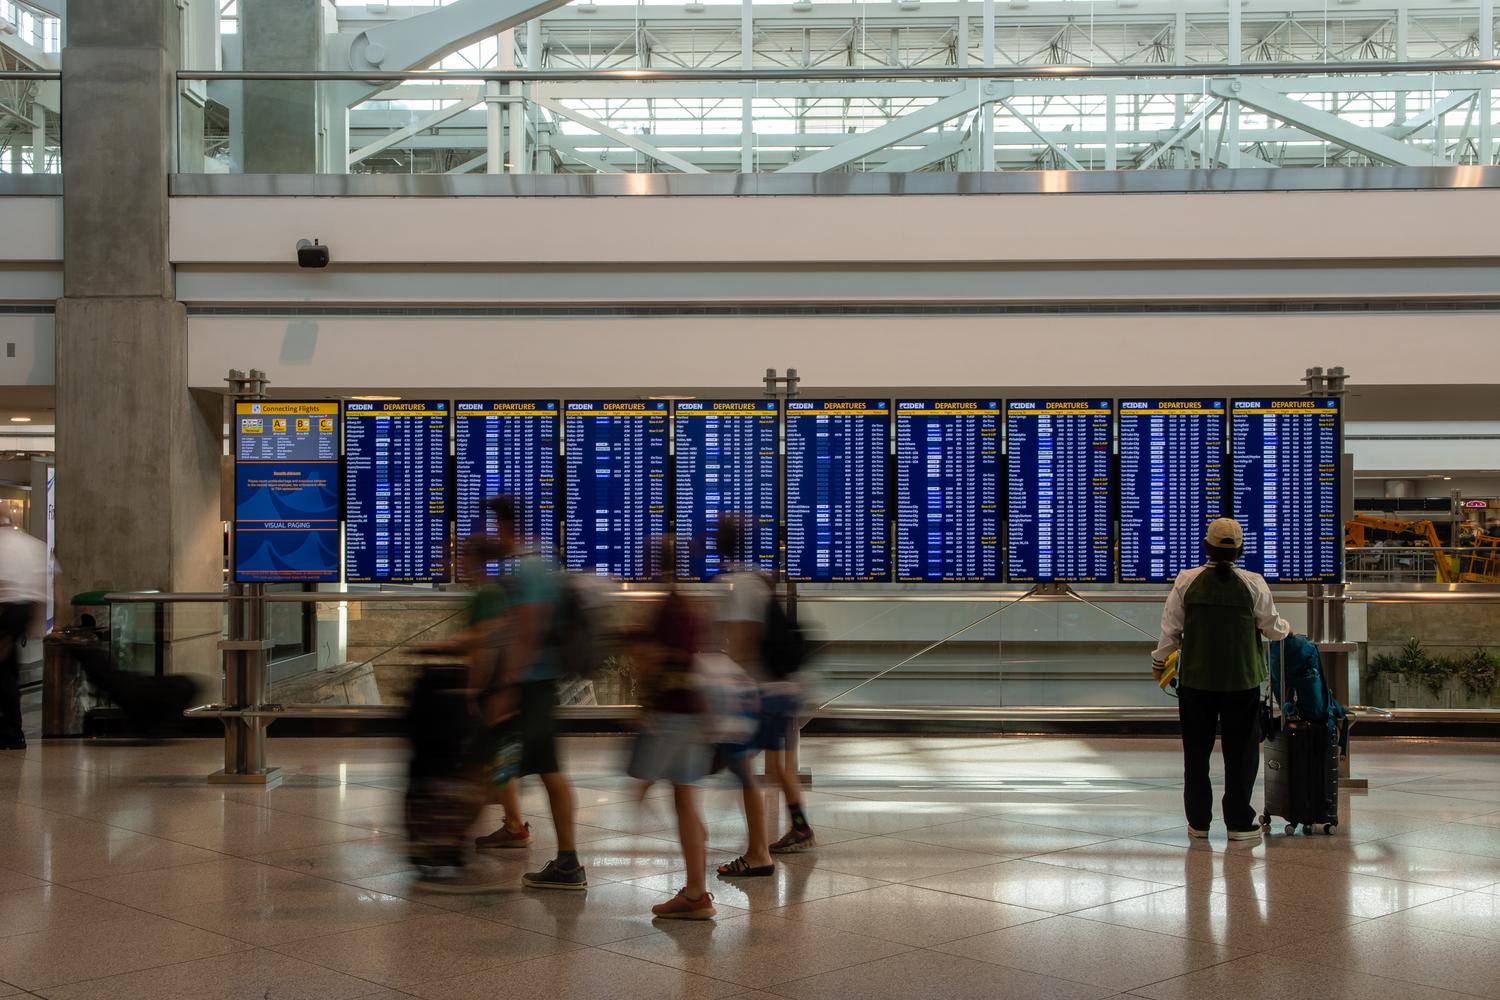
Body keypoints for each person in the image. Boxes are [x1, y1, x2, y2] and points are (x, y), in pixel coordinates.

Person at [470, 496, 586, 890]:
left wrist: (506, 686)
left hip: (531, 686)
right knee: (544, 768)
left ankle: (564, 859)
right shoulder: (540, 562)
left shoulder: (531, 568)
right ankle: (554, 852)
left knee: (532, 767)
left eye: (491, 526)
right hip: (537, 683)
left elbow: (529, 630)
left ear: (504, 526)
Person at [1152, 517, 1291, 841]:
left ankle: (1199, 822)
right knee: (1241, 753)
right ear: (1240, 550)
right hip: (1241, 681)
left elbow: (1170, 631)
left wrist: (1159, 662)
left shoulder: (1187, 581)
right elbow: (1273, 628)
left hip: (1196, 682)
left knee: (1196, 753)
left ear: (1207, 546)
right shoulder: (1253, 583)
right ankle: (1239, 822)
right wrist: (1288, 629)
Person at [713, 515, 815, 877]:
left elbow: (744, 641)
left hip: (763, 693)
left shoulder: (741, 585)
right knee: (781, 765)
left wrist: (726, 679)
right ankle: (801, 828)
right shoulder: (758, 578)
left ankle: (757, 854)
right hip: (784, 688)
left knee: (742, 766)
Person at [627, 537, 716, 919]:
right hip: (692, 714)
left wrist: (642, 653)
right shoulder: (691, 609)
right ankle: (696, 890)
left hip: (672, 717)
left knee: (650, 790)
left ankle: (696, 892)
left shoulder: (665, 610)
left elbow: (662, 662)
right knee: (686, 800)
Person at [0, 515, 46, 750]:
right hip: (22, 609)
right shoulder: (30, 544)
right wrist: (36, 620)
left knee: (3, 672)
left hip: (6, 609)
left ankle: (10, 732)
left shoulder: (4, 543)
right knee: (8, 669)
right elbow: (45, 583)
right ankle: (13, 732)